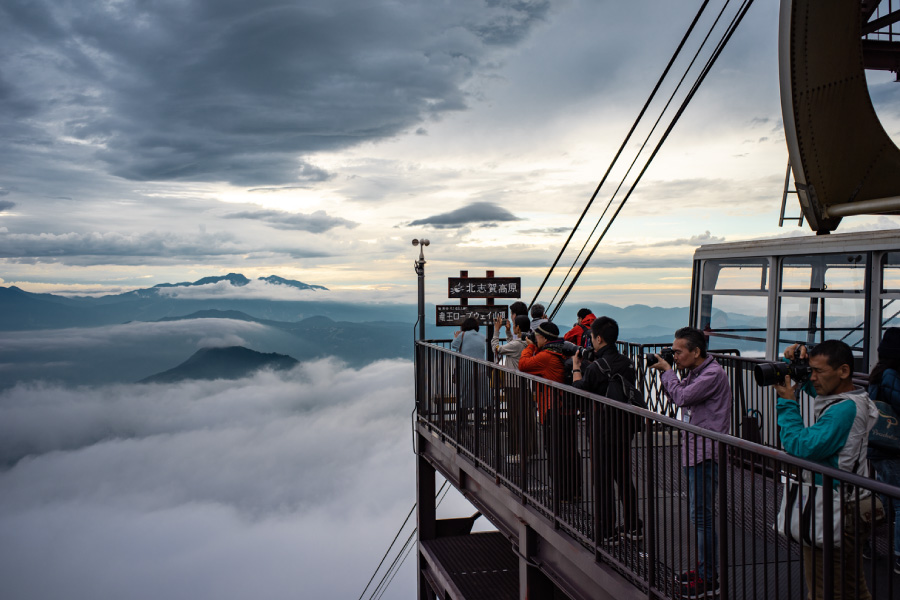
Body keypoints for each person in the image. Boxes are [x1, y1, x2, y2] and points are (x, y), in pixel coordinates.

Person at [773, 340, 877, 600]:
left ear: (843, 371)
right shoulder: (849, 398)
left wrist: (786, 402)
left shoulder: (844, 410)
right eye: (811, 370)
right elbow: (815, 388)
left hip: (835, 507)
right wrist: (793, 363)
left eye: (819, 371)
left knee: (823, 591)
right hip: (850, 501)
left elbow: (801, 445)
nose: (813, 378)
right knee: (852, 587)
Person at [649, 326, 731, 598]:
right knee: (700, 515)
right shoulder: (699, 371)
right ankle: (704, 568)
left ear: (696, 352)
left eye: (678, 351)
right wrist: (671, 372)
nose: (675, 355)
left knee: (703, 517)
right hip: (695, 449)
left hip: (705, 453)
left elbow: (682, 397)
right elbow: (680, 395)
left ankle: (710, 579)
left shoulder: (712, 373)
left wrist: (667, 371)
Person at [572, 316, 642, 541]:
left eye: (591, 337)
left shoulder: (594, 368)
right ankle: (633, 525)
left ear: (599, 338)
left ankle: (606, 531)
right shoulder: (627, 363)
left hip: (601, 430)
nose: (591, 341)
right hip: (624, 426)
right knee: (622, 476)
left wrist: (575, 369)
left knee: (602, 481)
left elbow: (580, 393)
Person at [518, 321, 581, 502]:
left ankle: (561, 493)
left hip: (552, 409)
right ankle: (574, 490)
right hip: (568, 408)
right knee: (570, 450)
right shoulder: (561, 351)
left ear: (544, 338)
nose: (534, 339)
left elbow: (523, 365)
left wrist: (529, 347)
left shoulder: (547, 356)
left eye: (537, 337)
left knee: (554, 451)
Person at [868, 327, 900, 574]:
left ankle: (860, 540)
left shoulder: (881, 373)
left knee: (886, 500)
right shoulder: (892, 375)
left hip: (879, 444)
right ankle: (899, 556)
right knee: (896, 502)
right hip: (890, 447)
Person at [493, 314, 536, 460]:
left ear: (518, 327)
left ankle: (518, 453)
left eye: (514, 324)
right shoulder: (527, 341)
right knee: (526, 419)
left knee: (515, 420)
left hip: (514, 385)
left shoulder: (517, 345)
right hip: (525, 385)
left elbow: (497, 349)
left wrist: (496, 331)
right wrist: (508, 332)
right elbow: (513, 345)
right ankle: (529, 451)